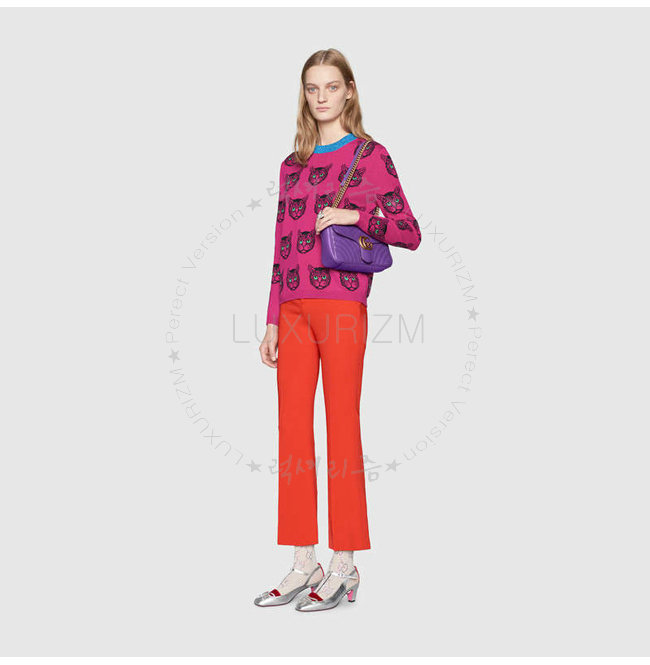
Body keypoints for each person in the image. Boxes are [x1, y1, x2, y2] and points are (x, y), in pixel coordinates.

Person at [254, 48, 421, 612]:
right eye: (312, 88)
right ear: (304, 94)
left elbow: (409, 231)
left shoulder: (370, 156)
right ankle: (304, 560)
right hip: (293, 308)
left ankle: (345, 563)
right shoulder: (292, 165)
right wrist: (272, 317)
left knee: (342, 429)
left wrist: (355, 216)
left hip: (342, 305)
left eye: (331, 86)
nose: (321, 97)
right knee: (292, 433)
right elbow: (281, 245)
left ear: (349, 90)